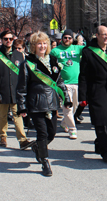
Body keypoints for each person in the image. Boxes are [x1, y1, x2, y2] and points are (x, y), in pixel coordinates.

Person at [16, 31, 71, 176]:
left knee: (51, 134)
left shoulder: (53, 60)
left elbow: (60, 82)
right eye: (39, 43)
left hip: (52, 102)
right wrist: (21, 106)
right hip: (36, 103)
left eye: (44, 43)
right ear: (33, 46)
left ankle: (38, 148)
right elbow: (21, 88)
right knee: (42, 133)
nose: (42, 46)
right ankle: (45, 162)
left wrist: (66, 98)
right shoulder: (27, 63)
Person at [78, 26, 107, 163]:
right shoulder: (88, 52)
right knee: (100, 122)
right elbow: (83, 76)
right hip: (96, 91)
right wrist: (83, 96)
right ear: (97, 36)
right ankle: (106, 152)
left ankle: (99, 142)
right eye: (103, 34)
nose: (106, 37)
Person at [0, 31, 34, 149]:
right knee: (3, 116)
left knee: (17, 115)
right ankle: (3, 137)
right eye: (5, 39)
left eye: (10, 39)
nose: (8, 41)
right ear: (2, 40)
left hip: (16, 91)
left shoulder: (19, 55)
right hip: (2, 90)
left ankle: (22, 140)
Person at [50, 29, 85, 138]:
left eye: (69, 38)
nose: (67, 39)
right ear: (62, 38)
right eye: (65, 37)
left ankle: (64, 123)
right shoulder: (55, 51)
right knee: (67, 107)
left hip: (77, 83)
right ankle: (72, 129)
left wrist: (81, 39)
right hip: (63, 84)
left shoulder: (77, 48)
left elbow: (90, 48)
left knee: (74, 107)